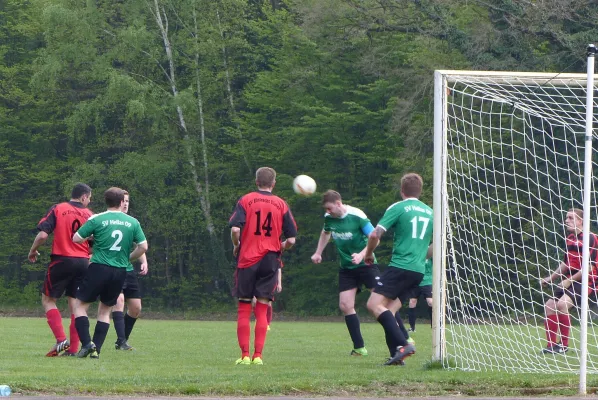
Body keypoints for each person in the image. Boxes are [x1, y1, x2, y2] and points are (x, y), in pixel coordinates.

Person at [229, 167, 297, 366]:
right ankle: (258, 356)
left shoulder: (246, 200)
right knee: (262, 308)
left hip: (248, 258)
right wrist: (280, 247)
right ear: (273, 183)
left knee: (243, 308)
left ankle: (244, 356)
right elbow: (291, 239)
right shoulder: (281, 204)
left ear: (256, 181)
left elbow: (235, 229)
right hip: (269, 260)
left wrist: (237, 246)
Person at [364, 173, 433, 366]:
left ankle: (403, 344)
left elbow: (374, 234)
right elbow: (436, 246)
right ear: (420, 191)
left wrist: (368, 253)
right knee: (389, 310)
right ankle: (397, 355)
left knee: (373, 304)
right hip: (418, 271)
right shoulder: (430, 212)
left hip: (400, 266)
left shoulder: (399, 207)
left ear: (402, 190)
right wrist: (420, 257)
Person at [72, 187, 148, 359]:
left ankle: (86, 344)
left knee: (80, 306)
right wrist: (129, 258)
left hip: (99, 267)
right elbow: (143, 247)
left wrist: (91, 237)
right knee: (105, 310)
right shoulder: (132, 222)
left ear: (106, 201)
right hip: (120, 271)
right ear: (122, 202)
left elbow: (76, 238)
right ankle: (96, 350)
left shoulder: (97, 219)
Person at [310, 190, 381, 356]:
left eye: (330, 208)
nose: (328, 212)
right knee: (345, 305)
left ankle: (403, 338)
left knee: (381, 302)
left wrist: (362, 254)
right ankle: (359, 348)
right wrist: (318, 252)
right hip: (347, 268)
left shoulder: (357, 215)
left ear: (338, 203)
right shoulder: (329, 218)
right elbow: (325, 233)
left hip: (366, 264)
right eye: (326, 209)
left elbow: (375, 237)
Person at [28, 183, 93, 357]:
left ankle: (60, 340)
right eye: (89, 199)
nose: (88, 202)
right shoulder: (90, 215)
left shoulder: (58, 208)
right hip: (83, 262)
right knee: (75, 305)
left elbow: (42, 235)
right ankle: (72, 350)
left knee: (48, 300)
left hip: (62, 260)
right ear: (84, 197)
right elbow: (95, 243)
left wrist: (32, 250)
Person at [541, 208, 598, 354]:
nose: (567, 220)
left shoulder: (591, 238)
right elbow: (566, 264)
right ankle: (551, 346)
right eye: (567, 218)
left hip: (588, 281)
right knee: (549, 305)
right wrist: (550, 278)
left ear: (581, 221)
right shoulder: (571, 238)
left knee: (562, 304)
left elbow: (589, 267)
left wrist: (568, 281)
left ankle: (563, 346)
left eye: (571, 218)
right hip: (572, 280)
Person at [99, 190, 148, 351]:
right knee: (118, 302)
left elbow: (139, 245)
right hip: (113, 269)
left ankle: (122, 339)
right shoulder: (107, 221)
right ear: (118, 202)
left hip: (127, 270)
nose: (126, 203)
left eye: (128, 200)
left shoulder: (131, 222)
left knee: (136, 308)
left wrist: (143, 261)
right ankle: (121, 341)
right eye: (124, 200)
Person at [406, 257, 433, 332]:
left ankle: (434, 326)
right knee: (412, 302)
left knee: (430, 302)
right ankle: (412, 328)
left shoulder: (430, 252)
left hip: (427, 281)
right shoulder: (415, 253)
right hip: (416, 281)